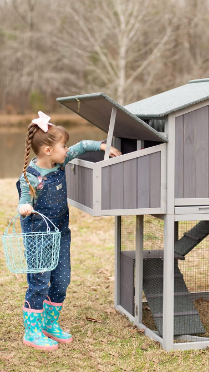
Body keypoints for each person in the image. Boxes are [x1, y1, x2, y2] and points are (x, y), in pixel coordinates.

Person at [17, 111, 121, 351]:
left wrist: (104, 146)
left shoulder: (60, 161)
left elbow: (83, 145)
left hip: (61, 233)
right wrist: (25, 206)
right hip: (38, 236)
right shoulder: (30, 177)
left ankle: (49, 323)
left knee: (62, 280)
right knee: (39, 282)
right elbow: (24, 200)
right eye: (63, 146)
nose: (67, 149)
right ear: (47, 151)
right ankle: (32, 331)